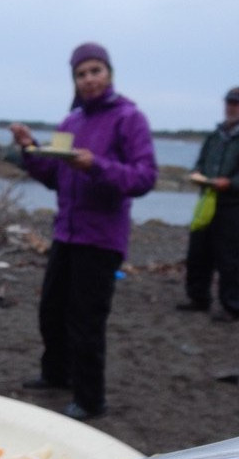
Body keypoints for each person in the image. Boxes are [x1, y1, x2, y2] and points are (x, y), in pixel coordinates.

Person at [10, 42, 156, 421]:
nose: (89, 79)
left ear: (109, 74)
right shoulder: (70, 122)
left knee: (86, 321)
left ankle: (91, 400)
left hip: (102, 238)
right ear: (74, 79)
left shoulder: (129, 118)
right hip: (66, 233)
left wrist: (97, 165)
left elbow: (144, 177)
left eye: (96, 71)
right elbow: (55, 176)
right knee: (51, 312)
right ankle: (57, 375)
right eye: (81, 73)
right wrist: (29, 150)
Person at [177, 87, 239, 322]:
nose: (231, 107)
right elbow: (200, 162)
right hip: (206, 201)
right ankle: (198, 298)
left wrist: (231, 183)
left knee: (228, 257)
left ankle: (232, 306)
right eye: (229, 102)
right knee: (198, 251)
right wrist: (197, 174)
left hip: (232, 205)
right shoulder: (215, 135)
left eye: (237, 103)